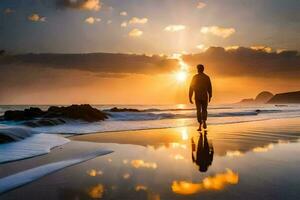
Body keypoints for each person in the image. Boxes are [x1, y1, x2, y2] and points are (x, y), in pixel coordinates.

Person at [189, 64, 212, 131]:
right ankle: (204, 122)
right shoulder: (206, 77)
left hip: (198, 97)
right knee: (204, 110)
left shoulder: (195, 77)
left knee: (198, 111)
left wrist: (190, 97)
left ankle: (200, 125)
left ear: (198, 69)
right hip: (205, 96)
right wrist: (210, 95)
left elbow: (191, 88)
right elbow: (209, 87)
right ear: (203, 69)